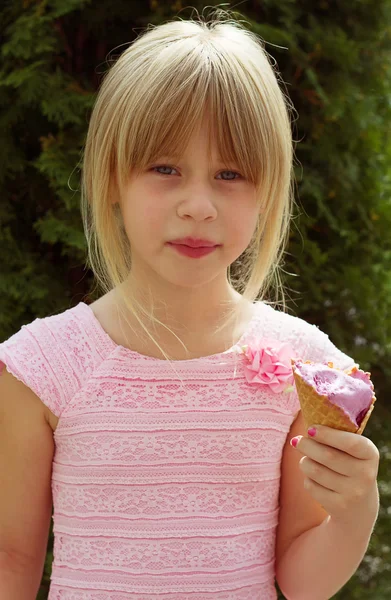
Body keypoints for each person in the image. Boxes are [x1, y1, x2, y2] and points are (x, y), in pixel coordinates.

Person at [0, 8, 379, 600]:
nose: (199, 204)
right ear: (111, 181)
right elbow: (11, 558)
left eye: (230, 173)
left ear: (269, 188)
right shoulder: (42, 368)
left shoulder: (305, 366)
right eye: (165, 168)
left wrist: (355, 512)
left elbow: (301, 581)